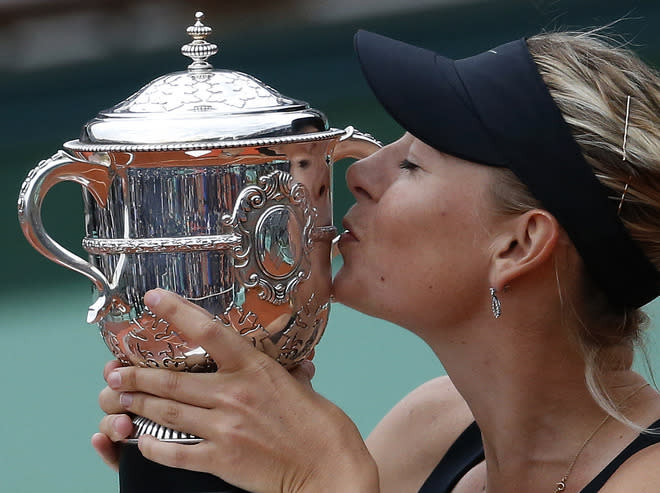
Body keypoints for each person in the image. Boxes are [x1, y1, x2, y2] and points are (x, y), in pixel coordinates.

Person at [92, 28, 660, 492]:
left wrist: (328, 481)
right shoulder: (433, 425)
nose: (360, 173)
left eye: (413, 163)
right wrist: (204, 464)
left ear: (518, 245)